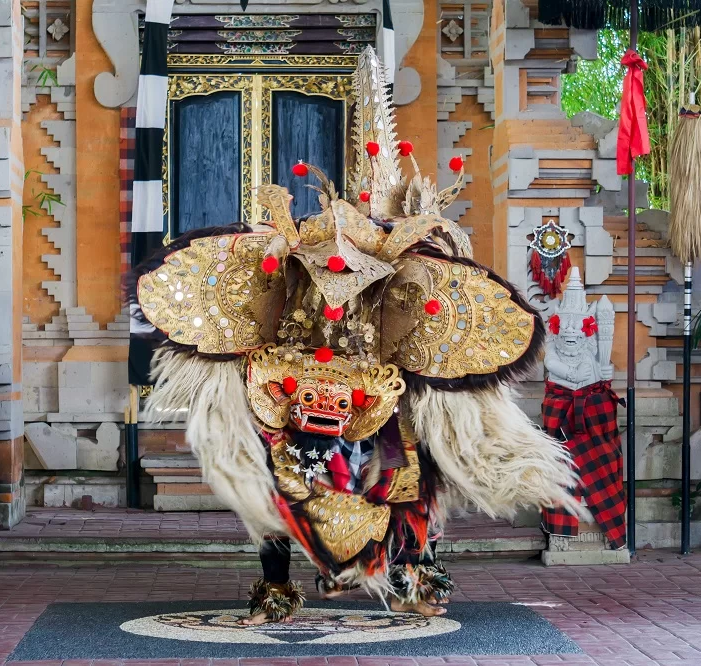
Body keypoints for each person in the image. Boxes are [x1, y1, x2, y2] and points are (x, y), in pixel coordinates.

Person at [130, 47, 585, 624]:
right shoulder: (301, 255)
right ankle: (276, 587)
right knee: (271, 484)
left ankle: (415, 573)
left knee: (414, 479)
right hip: (299, 393)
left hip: (385, 396)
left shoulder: (413, 276)